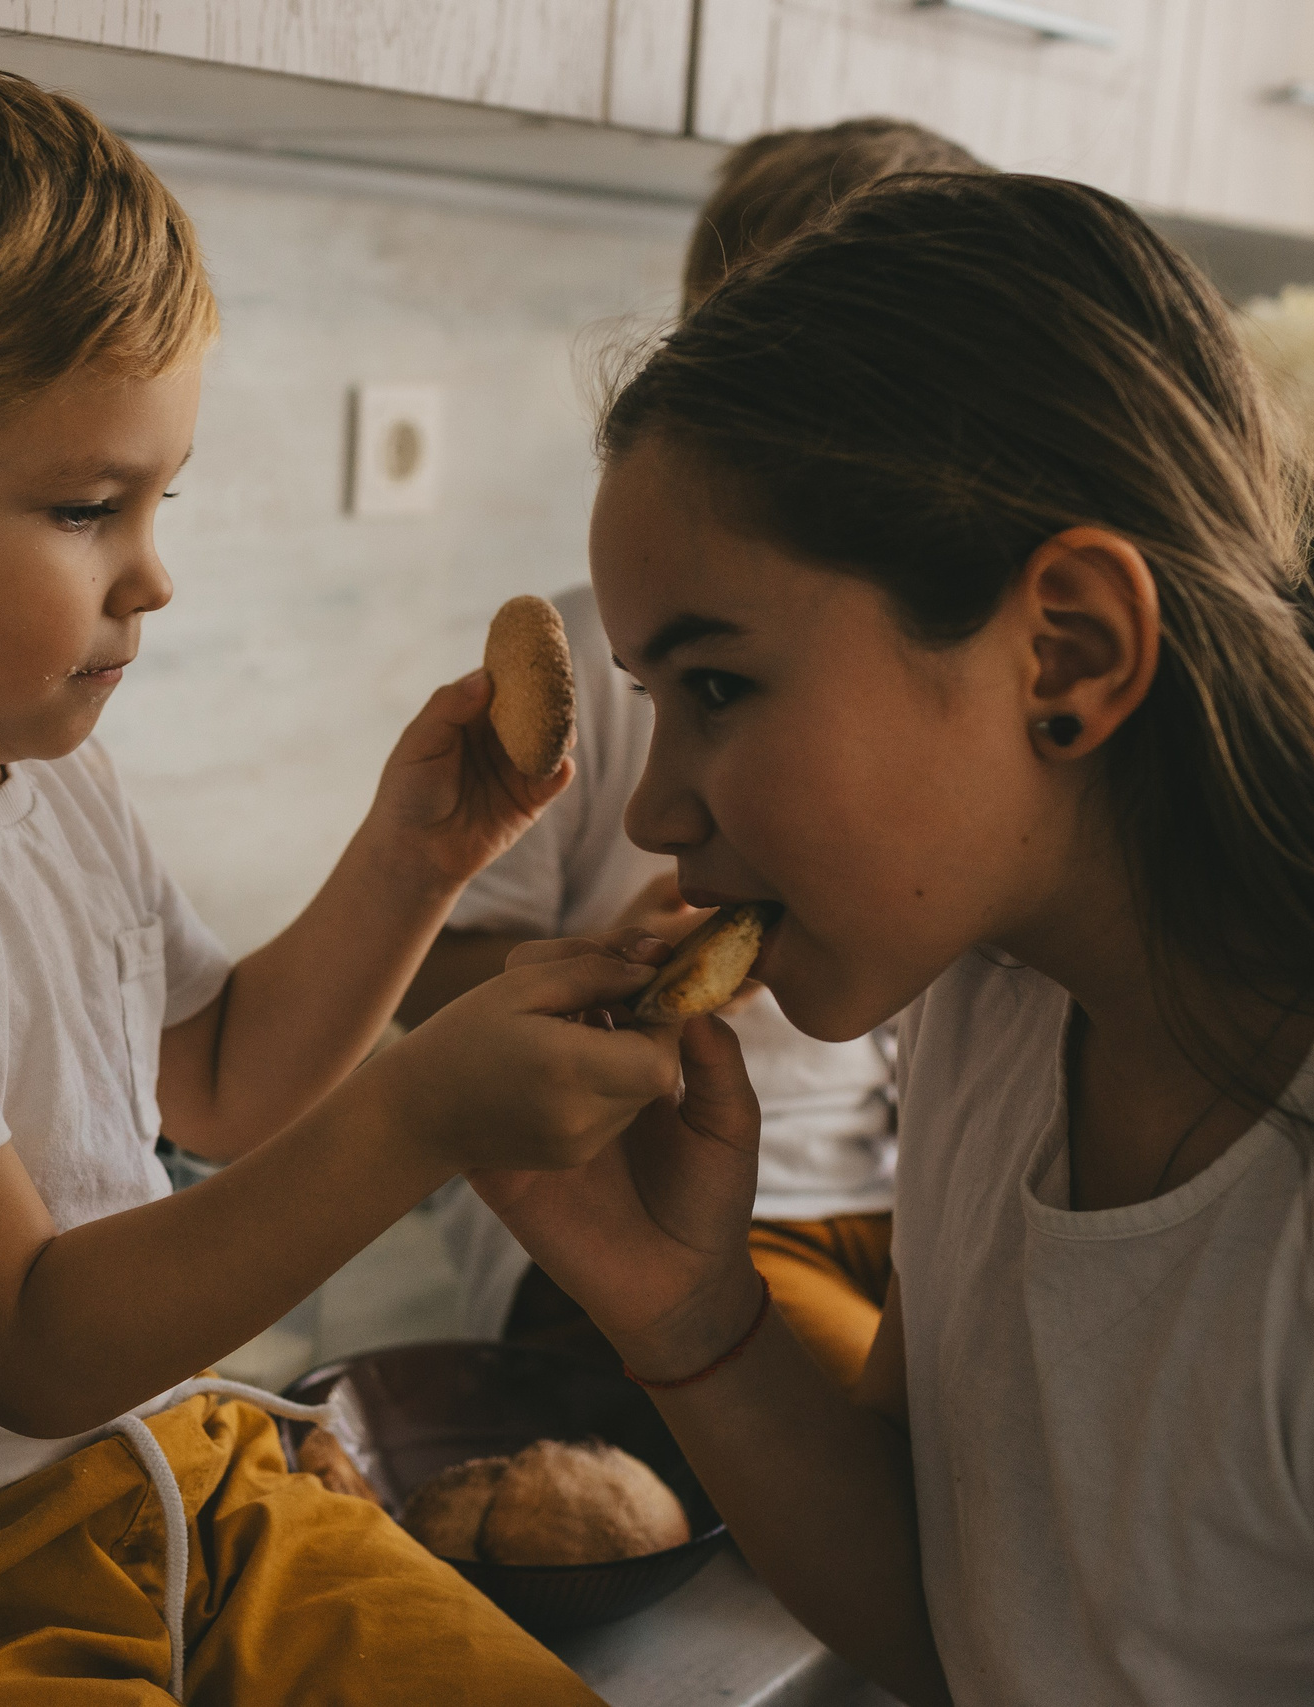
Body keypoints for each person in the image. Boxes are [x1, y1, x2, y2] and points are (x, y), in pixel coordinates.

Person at [0, 42, 679, 1706]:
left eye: (162, 495)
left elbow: (219, 1084)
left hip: (155, 1481)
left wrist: (414, 857)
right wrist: (425, 1109)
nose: (154, 575)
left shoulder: (45, 779)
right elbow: (32, 1336)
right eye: (89, 505)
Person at [476, 173, 1314, 1704]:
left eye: (720, 687)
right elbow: (947, 1619)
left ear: (1068, 651)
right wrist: (687, 1312)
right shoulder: (1001, 1010)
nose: (662, 811)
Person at [401, 119, 985, 1391]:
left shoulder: (934, 672)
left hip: (884, 1204)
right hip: (654, 1205)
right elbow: (422, 982)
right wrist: (616, 957)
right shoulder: (608, 658)